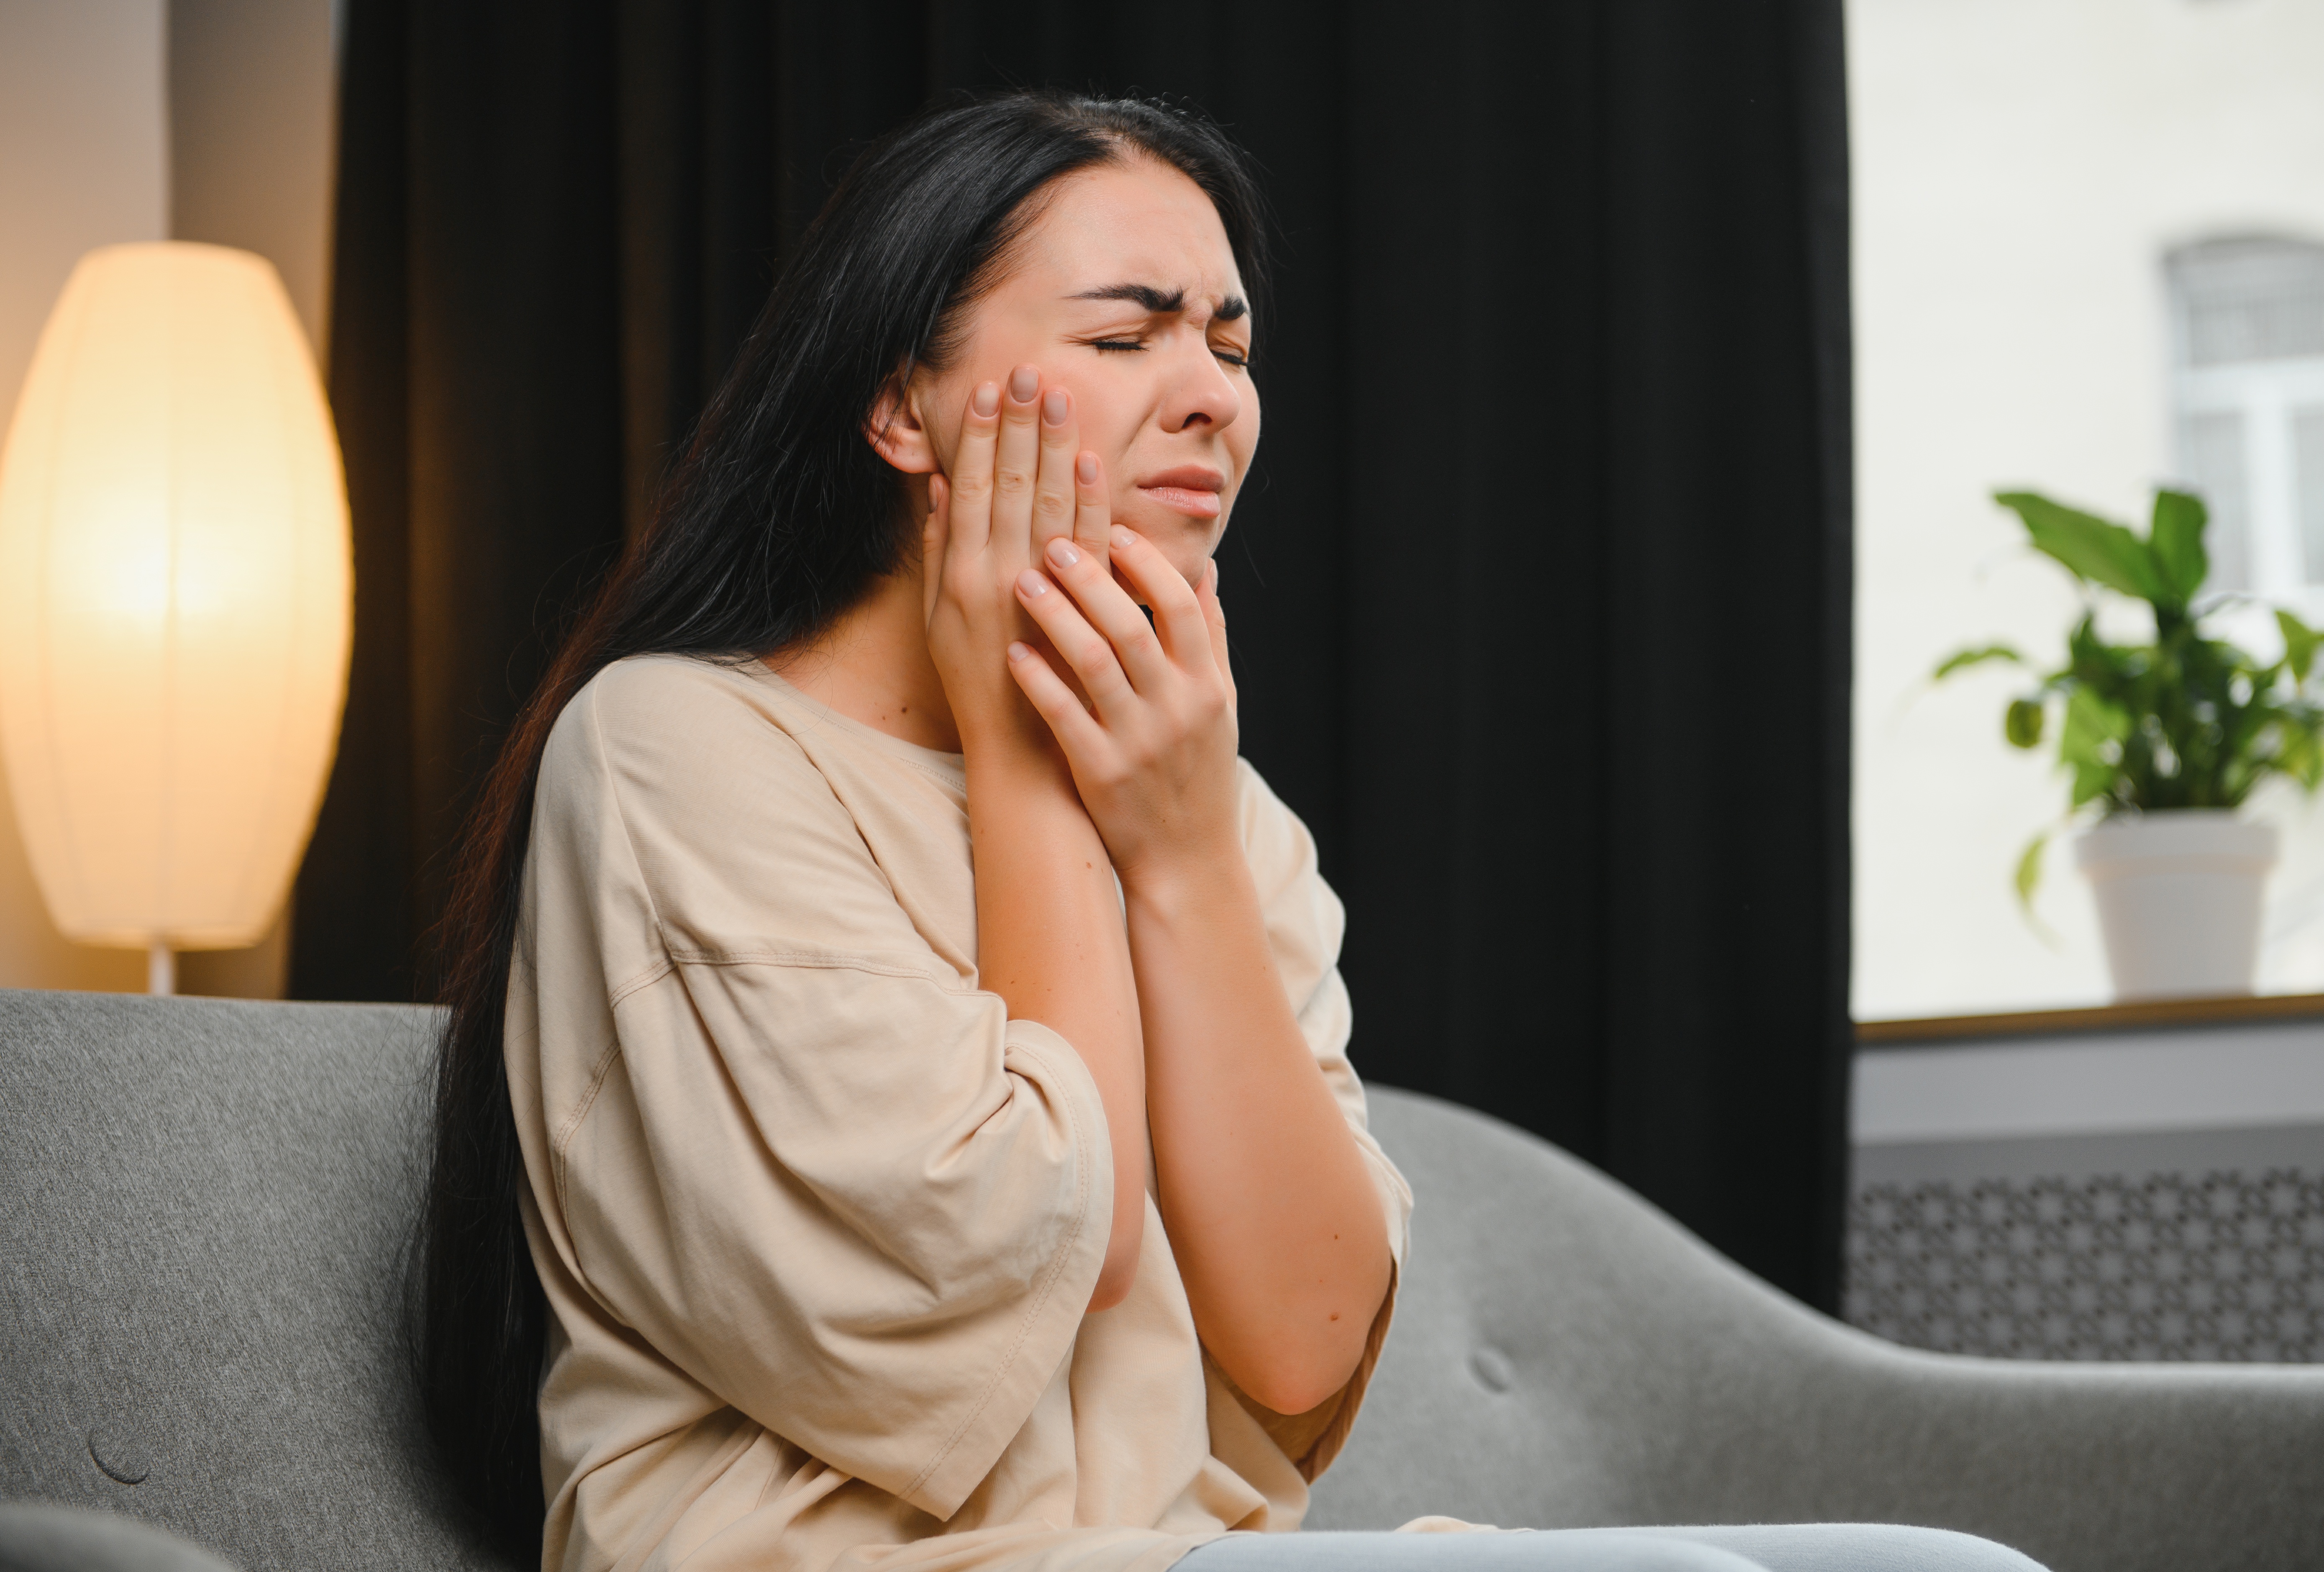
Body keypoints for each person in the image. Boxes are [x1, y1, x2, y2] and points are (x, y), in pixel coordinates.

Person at [415, 91, 2046, 1572]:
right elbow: (1023, 1246)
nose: (1207, 396)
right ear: (902, 406)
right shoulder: (673, 751)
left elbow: (1307, 1340)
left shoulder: (1215, 806)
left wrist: (1182, 849)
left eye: (1229, 343)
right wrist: (1033, 765)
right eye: (1126, 338)